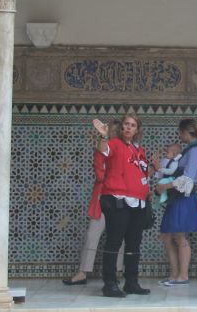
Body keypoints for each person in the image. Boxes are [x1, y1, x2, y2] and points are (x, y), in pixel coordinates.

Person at [92, 112, 151, 298]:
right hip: (117, 198)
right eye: (126, 124)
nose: (128, 127)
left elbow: (141, 173)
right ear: (121, 126)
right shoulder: (114, 143)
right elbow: (102, 151)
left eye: (133, 125)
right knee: (114, 242)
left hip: (138, 201)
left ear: (137, 129)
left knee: (134, 244)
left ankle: (131, 282)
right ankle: (110, 283)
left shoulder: (139, 149)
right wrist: (103, 135)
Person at [63, 120, 124, 286]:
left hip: (120, 200)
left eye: (113, 131)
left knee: (119, 237)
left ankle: (117, 271)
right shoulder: (102, 151)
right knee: (92, 235)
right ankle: (83, 272)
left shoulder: (124, 151)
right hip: (103, 199)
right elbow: (100, 174)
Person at [157, 119, 197, 286]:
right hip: (176, 197)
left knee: (179, 236)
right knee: (167, 235)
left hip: (183, 197)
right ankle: (174, 273)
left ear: (185, 132)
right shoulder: (188, 150)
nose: (179, 136)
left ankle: (182, 275)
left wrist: (166, 186)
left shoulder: (196, 151)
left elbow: (188, 178)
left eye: (180, 132)